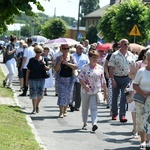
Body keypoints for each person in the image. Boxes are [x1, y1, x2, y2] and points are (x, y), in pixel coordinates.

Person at [78, 50, 108, 132]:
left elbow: (103, 80)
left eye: (97, 57)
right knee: (85, 107)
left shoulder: (100, 68)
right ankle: (84, 123)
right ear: (89, 58)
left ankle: (94, 124)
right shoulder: (85, 67)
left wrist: (105, 91)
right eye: (93, 57)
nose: (95, 59)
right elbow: (80, 78)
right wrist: (84, 85)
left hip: (95, 91)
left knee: (93, 107)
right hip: (85, 91)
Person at [108, 39, 135, 122]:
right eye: (124, 44)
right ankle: (114, 113)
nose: (126, 46)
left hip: (126, 78)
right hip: (116, 77)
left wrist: (131, 77)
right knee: (115, 96)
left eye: (127, 44)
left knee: (124, 97)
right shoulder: (115, 55)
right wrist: (112, 79)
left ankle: (122, 115)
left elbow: (134, 66)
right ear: (120, 45)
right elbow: (111, 68)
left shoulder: (131, 55)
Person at [53, 44, 77, 118]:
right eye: (64, 49)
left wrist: (67, 63)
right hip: (60, 80)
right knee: (62, 95)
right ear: (61, 49)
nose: (66, 50)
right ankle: (61, 112)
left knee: (68, 96)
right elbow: (56, 69)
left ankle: (65, 110)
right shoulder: (58, 58)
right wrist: (60, 62)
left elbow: (76, 66)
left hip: (69, 80)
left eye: (67, 48)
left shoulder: (72, 57)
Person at [132, 49, 150, 149]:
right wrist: (142, 92)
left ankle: (149, 141)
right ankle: (143, 140)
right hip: (142, 99)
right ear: (147, 59)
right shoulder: (141, 71)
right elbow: (135, 85)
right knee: (141, 120)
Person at [26, 45, 50, 114]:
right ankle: (34, 108)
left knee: (40, 94)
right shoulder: (31, 60)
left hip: (41, 79)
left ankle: (37, 105)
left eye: (40, 52)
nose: (38, 53)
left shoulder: (44, 59)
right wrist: (26, 80)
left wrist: (45, 65)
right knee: (34, 94)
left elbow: (48, 68)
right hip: (32, 79)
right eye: (37, 52)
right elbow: (28, 71)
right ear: (35, 52)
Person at [71, 44, 89, 111]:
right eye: (80, 48)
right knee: (72, 90)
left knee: (79, 92)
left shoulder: (85, 57)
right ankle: (71, 104)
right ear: (77, 49)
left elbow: (88, 65)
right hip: (72, 75)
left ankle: (77, 105)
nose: (82, 50)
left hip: (81, 76)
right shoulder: (72, 56)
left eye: (82, 49)